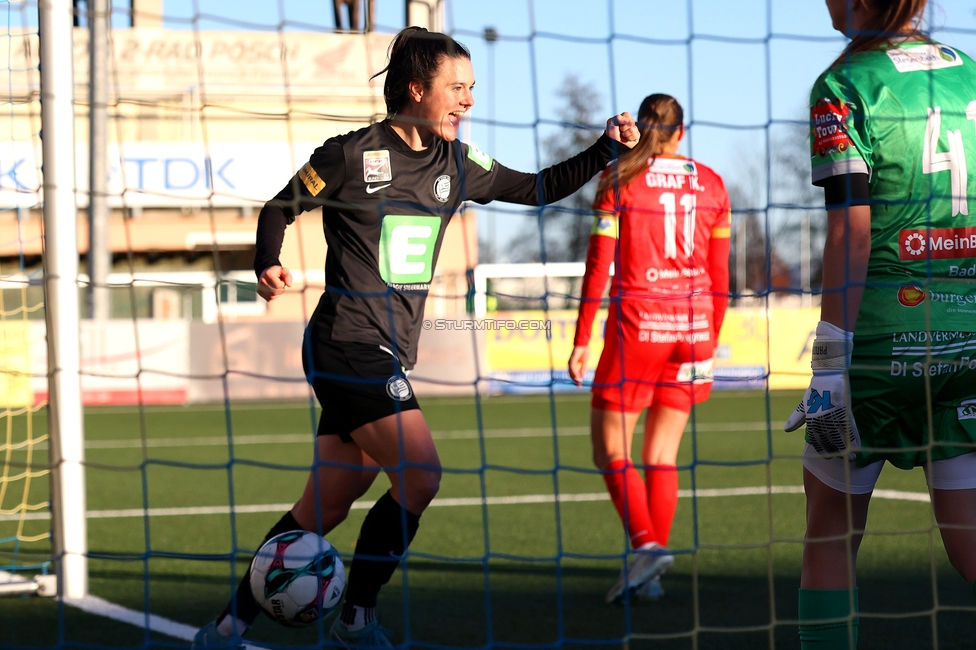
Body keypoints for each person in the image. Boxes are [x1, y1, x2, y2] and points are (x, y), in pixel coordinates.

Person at [191, 26, 640, 650]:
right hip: (346, 342)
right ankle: (356, 620)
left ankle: (224, 630)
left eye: (471, 89)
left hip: (387, 351)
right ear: (415, 88)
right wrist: (267, 258)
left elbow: (536, 188)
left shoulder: (456, 163)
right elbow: (278, 207)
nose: (468, 101)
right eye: (456, 88)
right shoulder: (350, 154)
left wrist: (603, 149)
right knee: (421, 475)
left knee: (325, 505)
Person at [783, 1, 976, 647]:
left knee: (829, 538)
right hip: (966, 337)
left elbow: (851, 231)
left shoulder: (844, 85)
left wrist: (829, 362)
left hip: (877, 344)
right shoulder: (970, 74)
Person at [567, 94, 731, 605]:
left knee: (610, 450)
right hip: (694, 329)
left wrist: (581, 340)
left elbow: (599, 268)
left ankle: (646, 547)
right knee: (662, 455)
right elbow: (721, 277)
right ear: (683, 131)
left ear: (640, 127)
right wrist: (710, 337)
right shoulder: (713, 183)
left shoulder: (618, 178)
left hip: (638, 328)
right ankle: (651, 574)